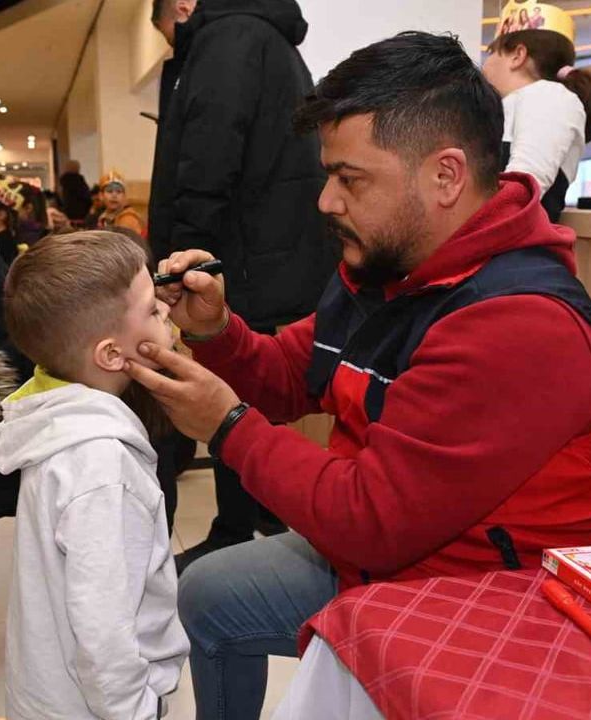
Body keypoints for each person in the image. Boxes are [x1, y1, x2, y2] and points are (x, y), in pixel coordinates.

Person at [121, 31, 591, 719]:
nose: (326, 202)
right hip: (406, 554)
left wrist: (227, 427)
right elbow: (293, 374)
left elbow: (368, 520)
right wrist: (216, 330)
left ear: (445, 176)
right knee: (208, 593)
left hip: (508, 603)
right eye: (328, 175)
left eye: (351, 179)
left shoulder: (517, 328)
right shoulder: (391, 267)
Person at [147, 0, 335, 572]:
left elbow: (209, 151)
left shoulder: (226, 37)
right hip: (278, 246)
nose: (177, 43)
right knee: (260, 375)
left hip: (237, 251)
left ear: (183, 5)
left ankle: (234, 529)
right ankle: (265, 510)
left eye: (172, 32)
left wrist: (187, 256)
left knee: (233, 376)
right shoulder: (273, 38)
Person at [0, 231, 189, 719]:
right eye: (151, 308)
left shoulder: (57, 422)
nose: (166, 310)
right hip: (100, 707)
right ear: (111, 355)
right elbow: (102, 629)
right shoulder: (102, 466)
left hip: (51, 693)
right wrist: (136, 710)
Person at [482, 29, 591, 222]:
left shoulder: (548, 96)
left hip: (507, 246)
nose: (484, 65)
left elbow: (523, 186)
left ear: (518, 55)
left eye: (491, 53)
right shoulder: (509, 106)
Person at [96, 170, 146, 235]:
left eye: (119, 192)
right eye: (110, 191)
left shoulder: (128, 218)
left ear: (124, 196)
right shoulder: (103, 217)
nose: (114, 195)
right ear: (101, 196)